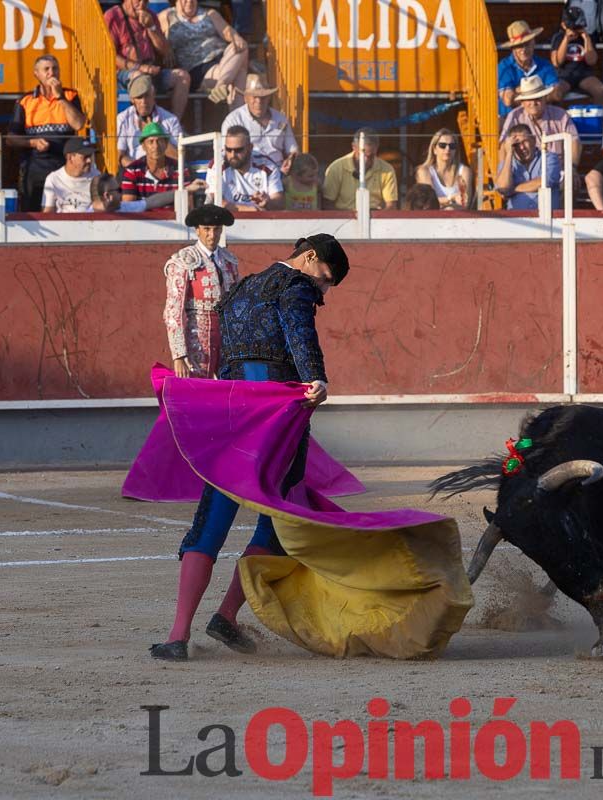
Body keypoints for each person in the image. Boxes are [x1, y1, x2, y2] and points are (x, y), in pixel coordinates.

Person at [150, 233, 350, 661]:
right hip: (276, 421)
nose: (323, 290)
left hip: (234, 416)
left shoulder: (241, 289)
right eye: (326, 278)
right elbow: (300, 335)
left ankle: (177, 634)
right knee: (277, 518)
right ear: (309, 258)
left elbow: (224, 359)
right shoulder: (294, 285)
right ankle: (225, 613)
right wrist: (317, 378)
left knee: (212, 517)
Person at [164, 203, 239, 379]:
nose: (212, 235)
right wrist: (179, 355)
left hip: (226, 334)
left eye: (216, 229)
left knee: (228, 386)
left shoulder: (229, 261)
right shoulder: (183, 260)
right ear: (197, 230)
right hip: (196, 334)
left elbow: (237, 305)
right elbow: (173, 311)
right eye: (206, 229)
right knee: (197, 387)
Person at [8, 54, 86, 212]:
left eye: (55, 68)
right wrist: (33, 143)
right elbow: (10, 139)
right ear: (36, 74)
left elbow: (78, 123)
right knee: (34, 213)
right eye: (46, 69)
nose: (52, 72)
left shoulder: (71, 95)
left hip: (65, 167)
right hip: (36, 167)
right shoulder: (25, 101)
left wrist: (60, 98)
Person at [105, 0, 191, 117]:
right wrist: (141, 68)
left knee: (182, 77)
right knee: (141, 78)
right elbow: (111, 56)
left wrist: (151, 27)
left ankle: (174, 124)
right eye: (138, 1)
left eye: (145, 1)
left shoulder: (151, 15)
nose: (141, 5)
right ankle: (147, 124)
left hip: (151, 70)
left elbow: (165, 51)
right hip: (124, 73)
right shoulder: (113, 16)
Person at [160, 0, 248, 106]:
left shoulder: (210, 14)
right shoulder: (167, 16)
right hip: (198, 69)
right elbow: (152, 33)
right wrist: (166, 47)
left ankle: (222, 84)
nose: (190, 1)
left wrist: (236, 37)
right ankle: (224, 88)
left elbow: (227, 31)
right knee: (239, 74)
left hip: (223, 59)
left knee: (241, 46)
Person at [219, 75, 298, 173]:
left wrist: (290, 160)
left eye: (263, 97)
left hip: (280, 172)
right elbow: (225, 153)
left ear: (269, 97)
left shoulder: (281, 119)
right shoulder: (233, 120)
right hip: (247, 172)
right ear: (246, 98)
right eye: (254, 97)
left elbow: (293, 150)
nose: (259, 101)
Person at [501, 75, 581, 166]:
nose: (533, 103)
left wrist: (572, 168)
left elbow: (574, 142)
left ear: (545, 98)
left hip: (558, 169)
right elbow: (504, 145)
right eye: (529, 99)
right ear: (522, 103)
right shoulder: (514, 116)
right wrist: (502, 173)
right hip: (524, 170)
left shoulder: (561, 115)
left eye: (537, 98)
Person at [120, 121, 201, 206]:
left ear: (166, 144)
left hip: (173, 219)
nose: (156, 146)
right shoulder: (132, 170)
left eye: (160, 141)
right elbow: (128, 208)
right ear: (143, 146)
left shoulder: (180, 169)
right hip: (143, 219)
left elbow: (187, 206)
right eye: (151, 142)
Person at [321, 127, 398, 210]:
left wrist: (377, 219)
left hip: (375, 218)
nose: (366, 160)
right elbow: (327, 204)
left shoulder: (387, 169)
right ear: (353, 147)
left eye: (371, 156)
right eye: (362, 155)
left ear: (377, 148)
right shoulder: (336, 168)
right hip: (342, 218)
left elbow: (391, 205)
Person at [116, 73, 183, 167]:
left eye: (146, 96)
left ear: (153, 95)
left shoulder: (171, 119)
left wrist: (157, 134)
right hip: (134, 171)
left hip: (164, 170)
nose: (143, 102)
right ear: (132, 99)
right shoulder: (123, 119)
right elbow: (119, 157)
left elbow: (178, 158)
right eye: (139, 97)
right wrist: (139, 170)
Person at [496, 20, 558, 116]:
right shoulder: (504, 67)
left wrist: (517, 91)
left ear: (534, 43)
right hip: (510, 118)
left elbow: (556, 94)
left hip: (541, 118)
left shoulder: (545, 65)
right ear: (512, 49)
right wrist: (539, 93)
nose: (523, 49)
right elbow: (508, 100)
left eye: (527, 44)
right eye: (519, 46)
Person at [496, 123, 562, 210]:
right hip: (516, 219)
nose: (522, 147)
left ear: (534, 140)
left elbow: (544, 182)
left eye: (525, 141)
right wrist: (509, 153)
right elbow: (503, 188)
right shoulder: (507, 164)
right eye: (516, 145)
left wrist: (513, 190)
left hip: (546, 218)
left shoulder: (549, 157)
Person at [549, 5, 603, 106]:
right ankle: (559, 120)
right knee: (555, 92)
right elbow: (557, 62)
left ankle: (599, 118)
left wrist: (587, 39)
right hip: (564, 75)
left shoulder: (588, 37)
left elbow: (591, 61)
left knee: (600, 89)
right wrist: (566, 39)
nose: (575, 29)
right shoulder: (558, 37)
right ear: (563, 25)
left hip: (584, 75)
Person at [220, 124, 283, 211]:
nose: (232, 155)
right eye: (228, 149)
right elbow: (212, 202)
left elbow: (279, 203)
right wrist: (249, 209)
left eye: (238, 150)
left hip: (260, 222)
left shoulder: (268, 166)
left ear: (250, 147)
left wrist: (267, 202)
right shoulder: (218, 164)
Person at [414, 128, 473, 209]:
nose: (447, 149)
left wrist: (448, 206)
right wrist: (452, 198)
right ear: (434, 149)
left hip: (458, 218)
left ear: (455, 150)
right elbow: (429, 202)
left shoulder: (464, 171)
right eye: (442, 145)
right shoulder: (424, 171)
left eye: (452, 146)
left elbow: (465, 203)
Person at [41, 136, 98, 212]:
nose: (89, 160)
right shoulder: (53, 179)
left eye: (90, 156)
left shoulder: (96, 176)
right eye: (85, 157)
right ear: (70, 158)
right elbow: (47, 213)